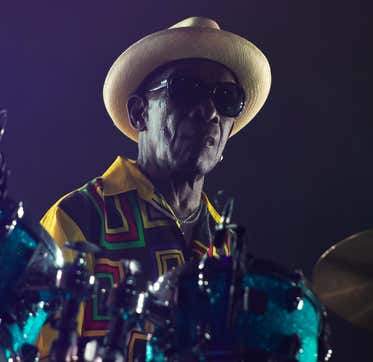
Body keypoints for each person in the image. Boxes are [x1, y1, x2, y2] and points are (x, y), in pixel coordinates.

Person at [35, 16, 271, 360]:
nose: (209, 111)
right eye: (187, 88)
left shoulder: (227, 247)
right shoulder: (78, 218)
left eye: (226, 98)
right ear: (139, 113)